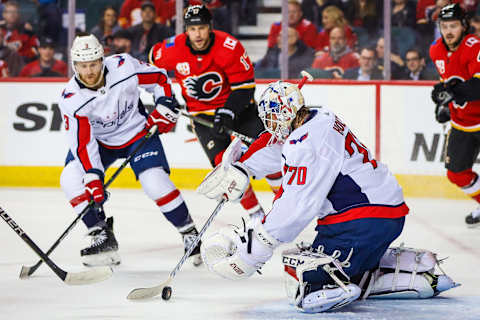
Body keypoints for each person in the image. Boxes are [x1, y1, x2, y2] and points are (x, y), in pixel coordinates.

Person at [197, 80, 458, 313]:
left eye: (272, 118)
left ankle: (336, 285)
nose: (270, 125)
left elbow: (297, 204)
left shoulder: (306, 145)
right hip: (383, 214)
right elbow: (276, 143)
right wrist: (244, 166)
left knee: (303, 274)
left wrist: (255, 248)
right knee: (336, 263)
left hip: (359, 222)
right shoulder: (319, 116)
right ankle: (404, 273)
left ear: (285, 114)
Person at [58, 34, 202, 267]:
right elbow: (83, 143)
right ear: (75, 66)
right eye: (83, 66)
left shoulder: (123, 67)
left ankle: (189, 233)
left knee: (154, 182)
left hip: (138, 133)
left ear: (102, 60)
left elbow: (159, 78)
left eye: (93, 64)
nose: (89, 71)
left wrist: (164, 102)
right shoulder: (71, 99)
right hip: (100, 143)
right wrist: (94, 178)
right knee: (71, 179)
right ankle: (101, 235)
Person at [150, 4, 282, 218]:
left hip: (241, 112)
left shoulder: (229, 46)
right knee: (227, 172)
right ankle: (256, 216)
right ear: (185, 30)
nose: (197, 34)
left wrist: (229, 112)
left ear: (210, 27)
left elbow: (245, 86)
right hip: (202, 118)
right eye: (192, 29)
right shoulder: (172, 49)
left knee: (268, 158)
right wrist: (165, 96)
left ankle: (284, 205)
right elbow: (149, 68)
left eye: (201, 28)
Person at [430, 3, 480, 227]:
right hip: (462, 125)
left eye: (453, 26)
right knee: (457, 174)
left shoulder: (474, 46)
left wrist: (451, 93)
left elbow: (477, 86)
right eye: (444, 26)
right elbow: (446, 82)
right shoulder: (436, 50)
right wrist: (441, 103)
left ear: (464, 26)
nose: (448, 31)